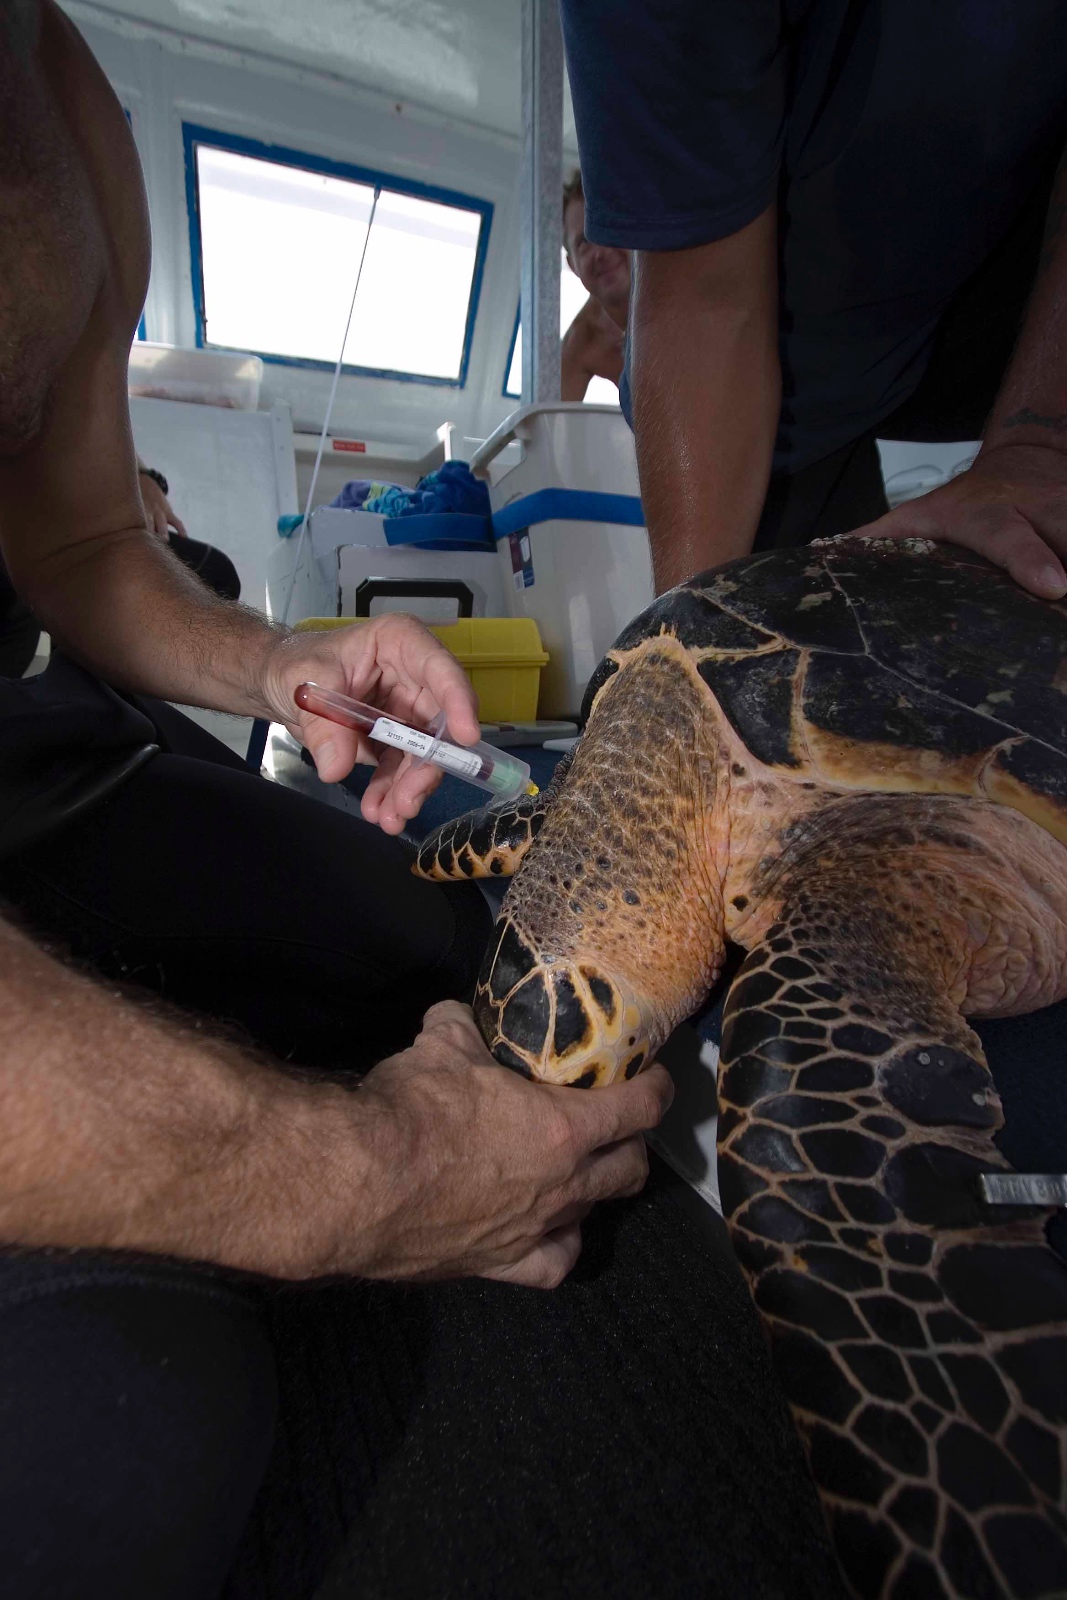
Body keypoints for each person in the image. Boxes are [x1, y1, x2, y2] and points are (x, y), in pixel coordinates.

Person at [0, 5, 672, 1592]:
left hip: (26, 753)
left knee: (425, 938)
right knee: (125, 1433)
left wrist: (275, 662)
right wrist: (376, 1176)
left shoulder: (63, 89)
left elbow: (78, 539)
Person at [559, 2, 1067, 596]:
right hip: (803, 391)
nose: (596, 254)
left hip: (1014, 266)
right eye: (579, 246)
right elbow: (703, 299)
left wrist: (1037, 444)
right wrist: (692, 616)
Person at [0, 460, 239, 678]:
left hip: (54, 511)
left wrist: (140, 474)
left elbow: (86, 428)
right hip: (28, 543)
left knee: (216, 577)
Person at [560, 169, 628, 402]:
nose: (600, 252)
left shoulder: (685, 296)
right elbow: (556, 422)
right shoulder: (582, 338)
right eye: (584, 242)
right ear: (573, 265)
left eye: (609, 228)